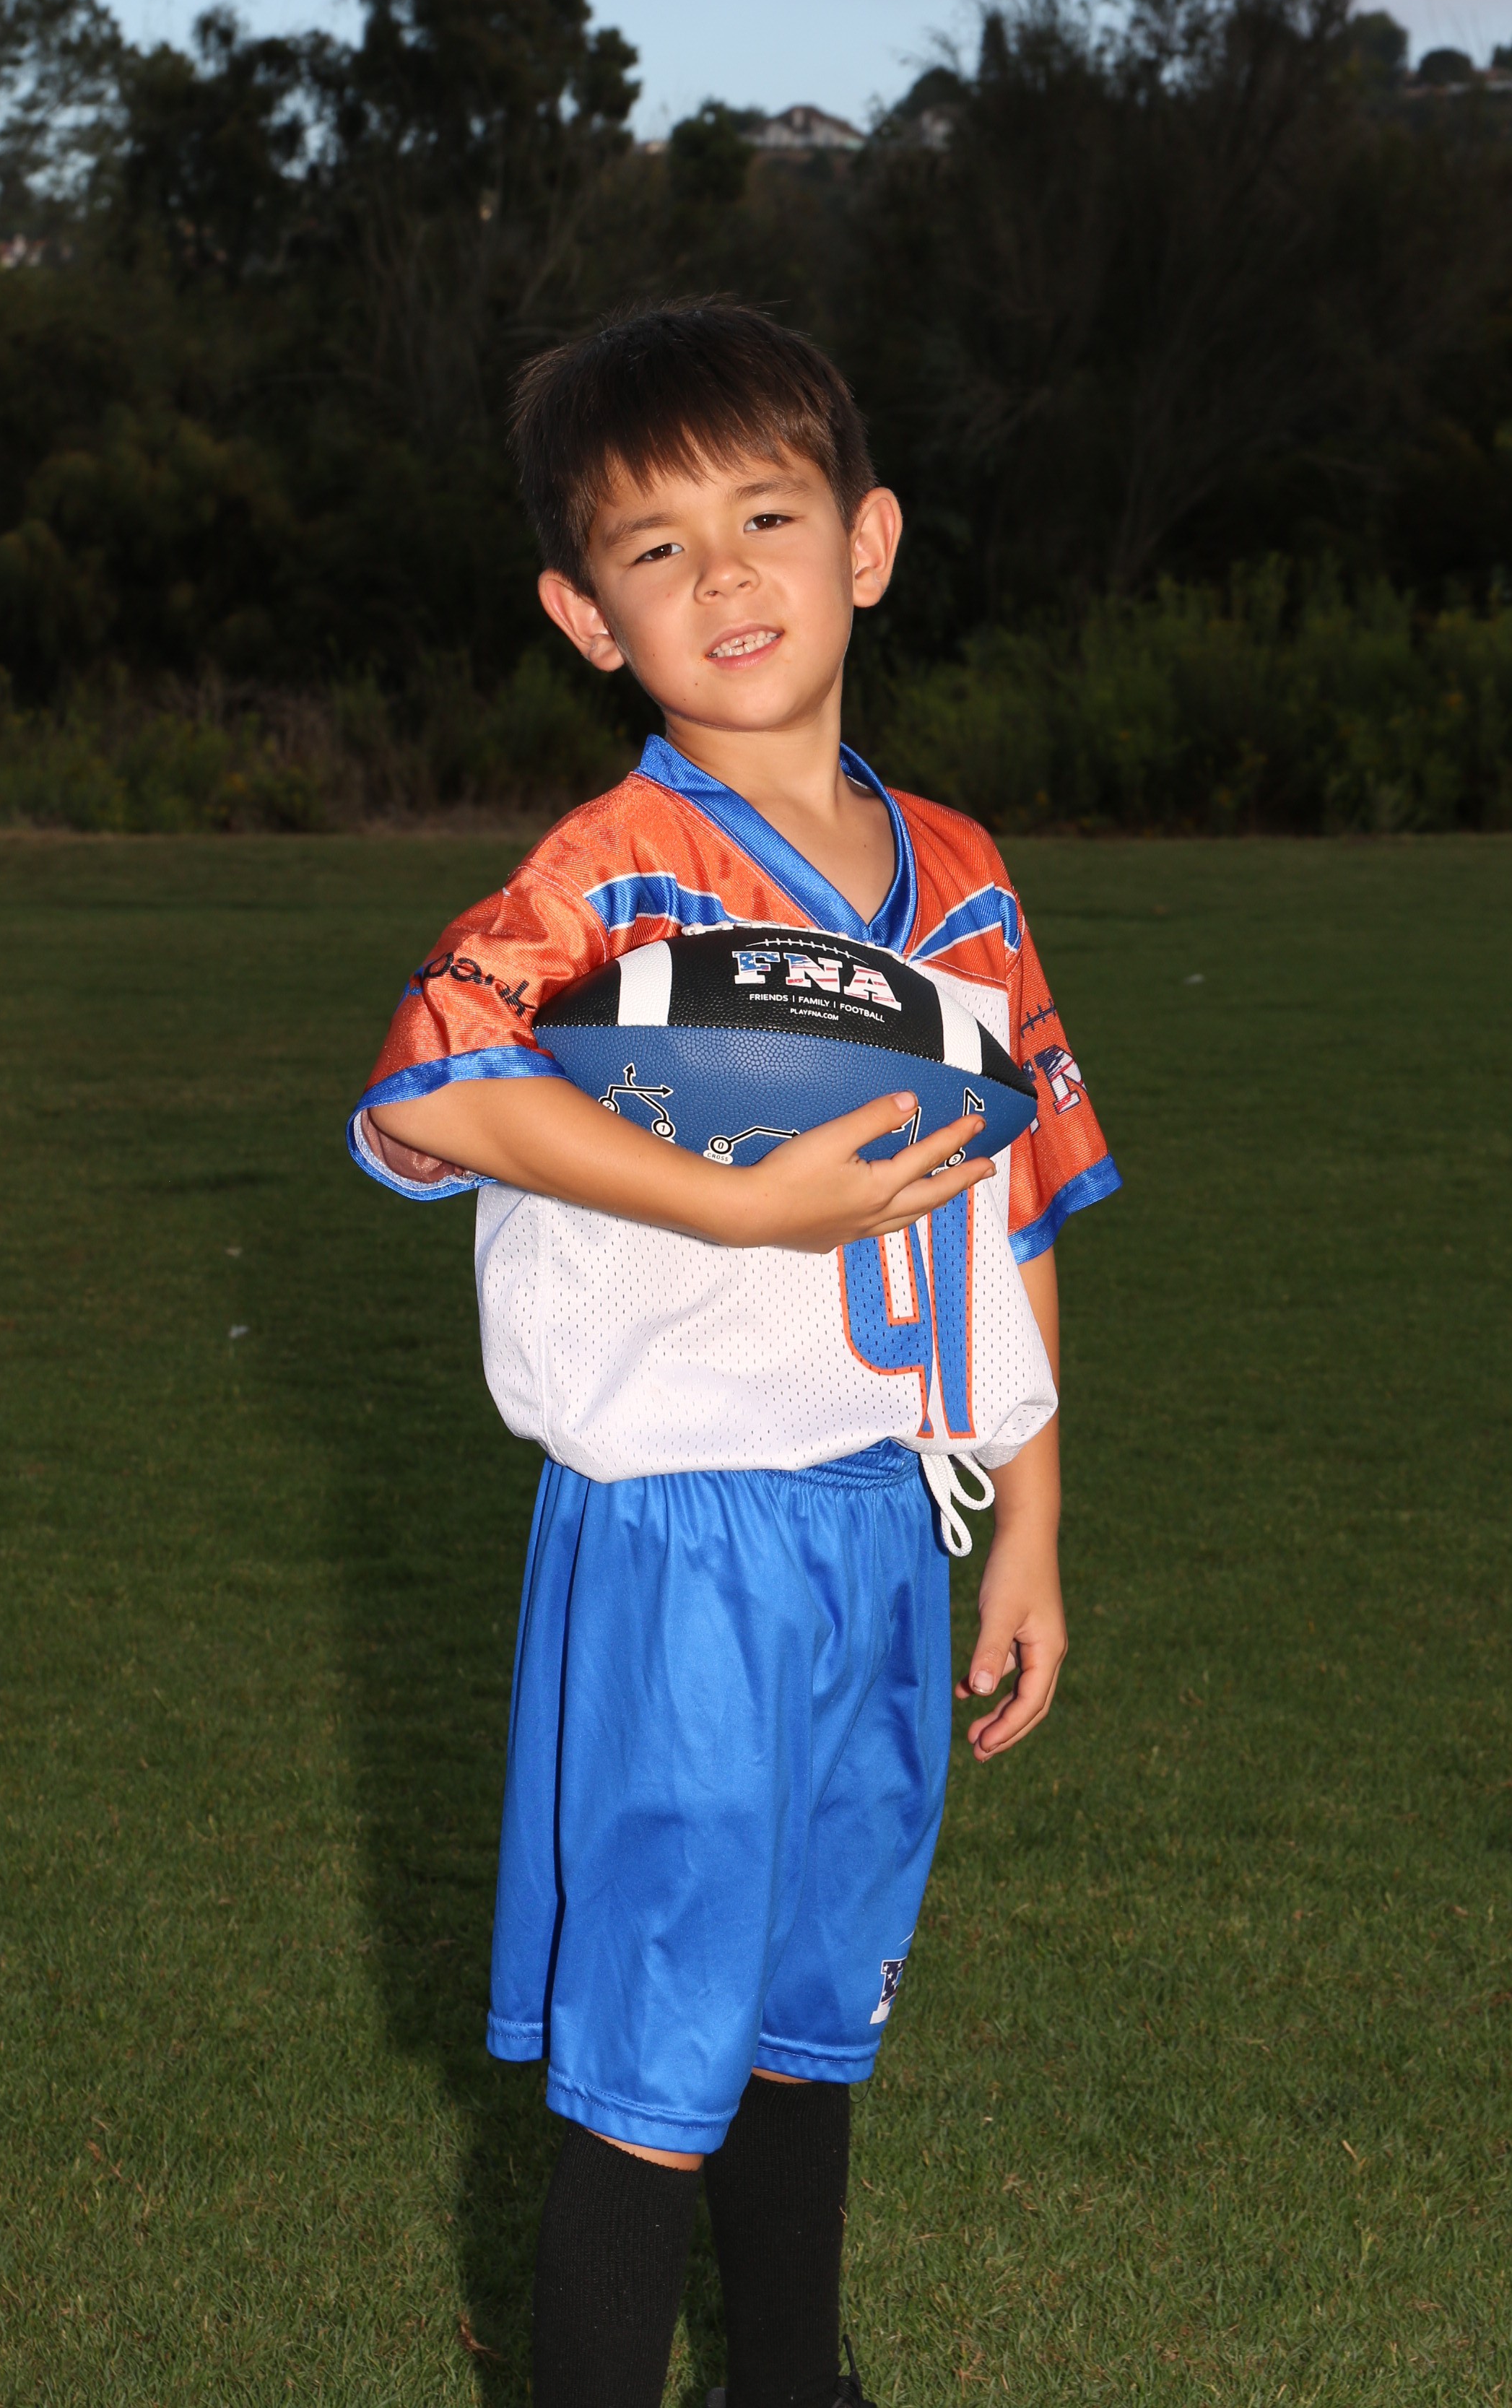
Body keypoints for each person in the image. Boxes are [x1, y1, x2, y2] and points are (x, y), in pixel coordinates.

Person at [351, 303, 1120, 2408]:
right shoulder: (611, 877)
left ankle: (796, 2383)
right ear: (583, 616)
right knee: (655, 2046)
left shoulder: (964, 877)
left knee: (808, 2003)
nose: (724, 576)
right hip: (684, 1536)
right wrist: (738, 1207)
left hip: (882, 1523)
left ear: (867, 541)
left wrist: (1031, 1520)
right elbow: (431, 1089)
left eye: (766, 517)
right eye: (654, 546)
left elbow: (1015, 1207)